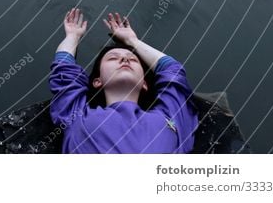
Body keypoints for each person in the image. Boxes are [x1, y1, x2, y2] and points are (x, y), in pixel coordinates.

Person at [48, 8, 198, 153]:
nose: (125, 58)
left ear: (144, 83)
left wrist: (132, 40)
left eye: (133, 59)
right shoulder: (76, 116)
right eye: (113, 58)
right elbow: (63, 69)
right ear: (97, 81)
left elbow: (173, 70)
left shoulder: (170, 116)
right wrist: (72, 36)